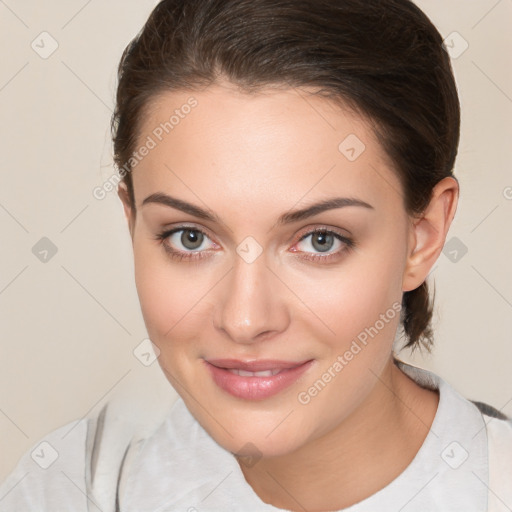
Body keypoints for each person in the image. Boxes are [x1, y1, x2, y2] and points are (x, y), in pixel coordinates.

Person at [1, 0, 511, 510]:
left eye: (320, 240)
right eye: (190, 237)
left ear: (421, 237)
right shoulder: (68, 490)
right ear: (133, 222)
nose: (245, 320)